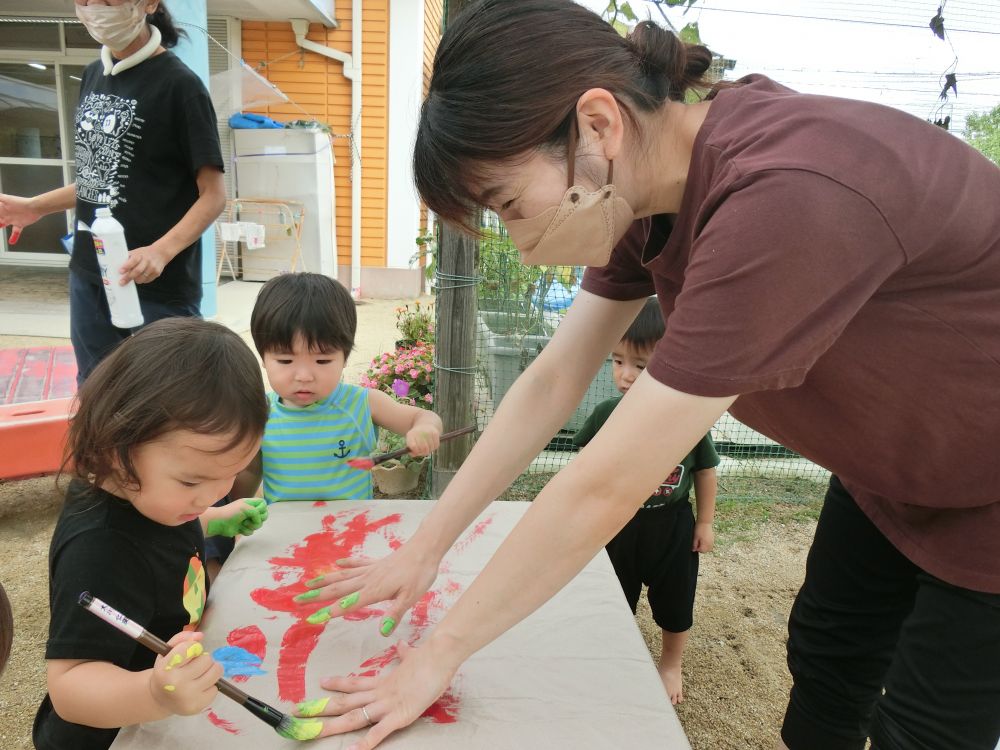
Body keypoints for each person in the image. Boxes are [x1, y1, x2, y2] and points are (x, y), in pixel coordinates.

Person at [288, 2, 1000, 749]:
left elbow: (609, 480)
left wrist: (436, 654)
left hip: (986, 484)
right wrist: (425, 546)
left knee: (924, 729)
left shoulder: (782, 197)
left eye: (505, 203)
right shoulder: (646, 187)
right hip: (890, 463)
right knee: (828, 657)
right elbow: (554, 378)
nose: (520, 239)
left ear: (597, 125)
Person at [32, 318, 270, 750]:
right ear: (116, 450)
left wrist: (216, 518)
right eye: (192, 483)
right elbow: (69, 687)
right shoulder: (99, 550)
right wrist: (154, 693)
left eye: (231, 475)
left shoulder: (158, 502)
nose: (214, 493)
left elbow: (163, 533)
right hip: (112, 732)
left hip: (172, 706)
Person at [0, 0, 226, 384]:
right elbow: (100, 175)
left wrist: (161, 250)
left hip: (158, 284)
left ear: (148, 3)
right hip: (91, 271)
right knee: (97, 392)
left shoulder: (180, 86)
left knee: (169, 400)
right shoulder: (92, 75)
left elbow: (214, 195)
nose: (95, 9)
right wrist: (35, 207)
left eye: (108, 0)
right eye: (85, 0)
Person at [573, 297, 718, 704]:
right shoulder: (605, 413)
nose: (626, 375)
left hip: (673, 526)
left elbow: (705, 471)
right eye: (618, 361)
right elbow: (585, 467)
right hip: (619, 524)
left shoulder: (687, 416)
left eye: (640, 364)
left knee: (676, 600)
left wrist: (704, 523)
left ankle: (671, 664)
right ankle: (611, 656)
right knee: (613, 596)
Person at [231, 273, 443, 508]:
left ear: (344, 358)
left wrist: (425, 428)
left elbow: (421, 417)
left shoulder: (363, 403)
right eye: (285, 361)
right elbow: (250, 472)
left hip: (352, 528)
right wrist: (235, 510)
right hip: (286, 534)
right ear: (263, 358)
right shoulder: (260, 413)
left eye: (322, 361)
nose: (304, 376)